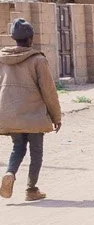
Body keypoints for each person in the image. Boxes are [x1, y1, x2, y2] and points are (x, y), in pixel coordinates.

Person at [1, 18, 62, 202]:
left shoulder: (2, 59)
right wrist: (56, 116)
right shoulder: (38, 60)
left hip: (10, 114)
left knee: (18, 147)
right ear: (30, 39)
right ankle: (31, 189)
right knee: (36, 152)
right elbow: (49, 91)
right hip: (34, 115)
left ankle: (10, 172)